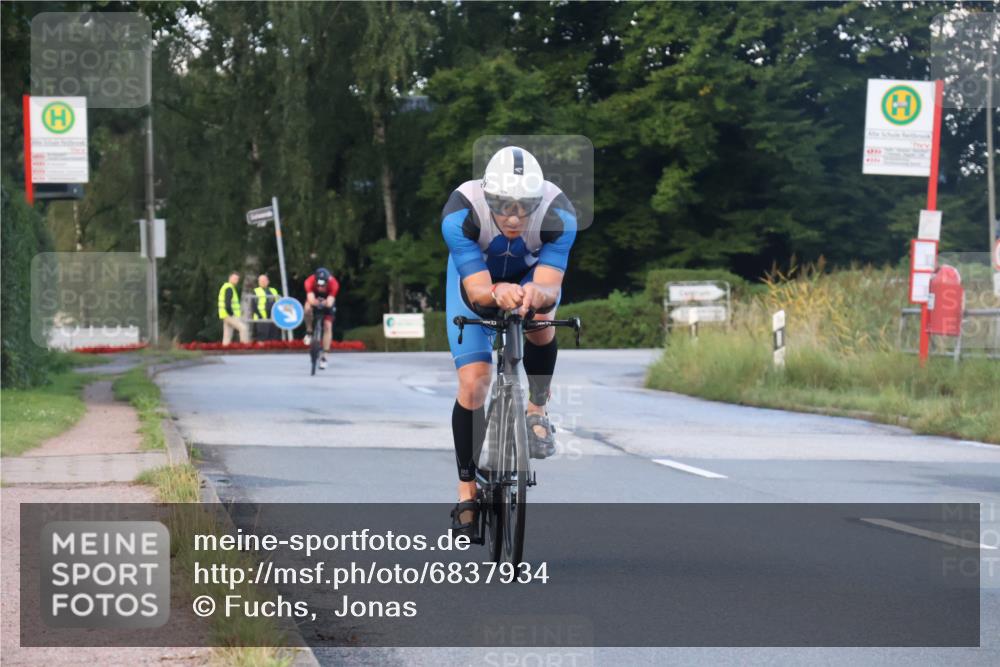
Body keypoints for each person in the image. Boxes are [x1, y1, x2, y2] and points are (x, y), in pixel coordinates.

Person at [441, 146, 577, 534]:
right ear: (488, 196)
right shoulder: (460, 213)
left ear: (539, 200)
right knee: (474, 381)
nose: (515, 217)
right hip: (474, 281)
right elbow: (480, 291)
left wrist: (536, 296)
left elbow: (549, 285)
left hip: (529, 277)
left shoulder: (559, 214)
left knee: (542, 323)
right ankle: (466, 489)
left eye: (525, 206)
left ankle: (536, 411)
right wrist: (496, 292)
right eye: (503, 206)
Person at [303, 267, 339, 370]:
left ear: (328, 281)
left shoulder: (334, 284)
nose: (320, 287)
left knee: (327, 326)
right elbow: (310, 299)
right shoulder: (309, 281)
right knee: (307, 308)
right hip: (314, 298)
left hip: (328, 300)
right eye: (318, 284)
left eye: (323, 285)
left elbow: (330, 302)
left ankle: (324, 357)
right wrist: (316, 302)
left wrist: (325, 303)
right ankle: (309, 331)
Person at [218, 271, 249, 346]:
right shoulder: (229, 288)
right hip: (229, 315)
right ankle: (245, 347)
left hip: (225, 315)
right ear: (230, 278)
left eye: (237, 279)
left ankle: (225, 349)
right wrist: (231, 313)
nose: (236, 280)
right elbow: (227, 303)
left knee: (227, 335)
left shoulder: (227, 287)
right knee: (243, 328)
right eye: (234, 278)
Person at [252, 274, 280, 341]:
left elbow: (278, 303)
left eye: (264, 280)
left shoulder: (273, 290)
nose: (263, 282)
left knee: (274, 337)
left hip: (273, 318)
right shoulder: (255, 291)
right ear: (258, 282)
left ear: (268, 281)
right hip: (261, 318)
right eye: (261, 280)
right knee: (262, 337)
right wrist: (260, 316)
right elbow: (253, 305)